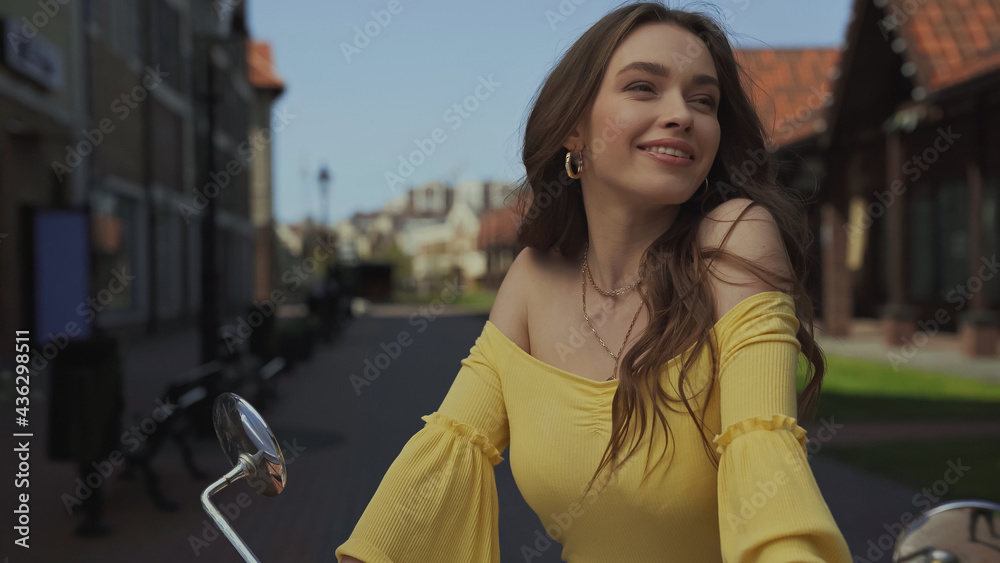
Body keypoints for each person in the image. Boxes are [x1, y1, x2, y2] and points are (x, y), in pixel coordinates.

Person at [336, 2, 852, 561]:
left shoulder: (733, 238)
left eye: (704, 100)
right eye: (643, 87)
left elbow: (766, 455)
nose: (682, 114)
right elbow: (445, 458)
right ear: (573, 129)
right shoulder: (531, 279)